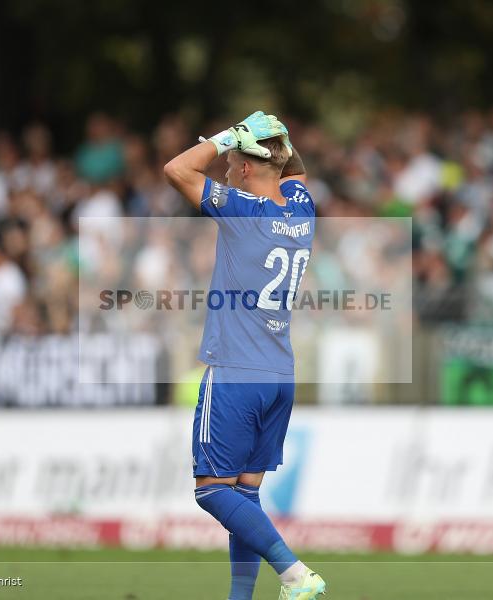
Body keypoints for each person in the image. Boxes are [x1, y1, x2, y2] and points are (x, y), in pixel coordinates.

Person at [164, 112, 325, 600]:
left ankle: (294, 572)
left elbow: (177, 169)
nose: (227, 170)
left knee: (212, 490)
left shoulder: (242, 209)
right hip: (279, 373)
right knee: (245, 494)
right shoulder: (301, 208)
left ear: (249, 171)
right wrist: (279, 140)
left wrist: (228, 136)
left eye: (233, 164)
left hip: (235, 371)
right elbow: (292, 171)